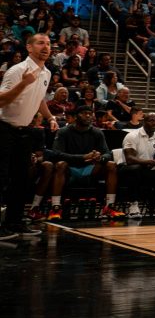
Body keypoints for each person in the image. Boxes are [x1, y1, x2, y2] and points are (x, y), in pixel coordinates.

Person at [0, 33, 55, 238]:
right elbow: (1, 101)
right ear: (29, 47)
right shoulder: (17, 70)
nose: (46, 47)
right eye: (40, 43)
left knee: (21, 179)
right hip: (4, 128)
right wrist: (23, 84)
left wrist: (50, 117)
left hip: (24, 131)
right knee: (1, 178)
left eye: (48, 44)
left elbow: (39, 99)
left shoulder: (46, 72)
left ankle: (14, 222)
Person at [52, 107, 125, 219]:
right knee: (60, 164)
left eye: (90, 113)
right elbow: (56, 154)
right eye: (84, 113)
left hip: (90, 168)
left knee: (111, 165)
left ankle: (109, 206)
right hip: (70, 168)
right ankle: (55, 207)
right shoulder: (63, 131)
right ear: (76, 116)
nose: (87, 116)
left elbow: (107, 153)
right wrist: (83, 157)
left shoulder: (97, 132)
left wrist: (99, 157)